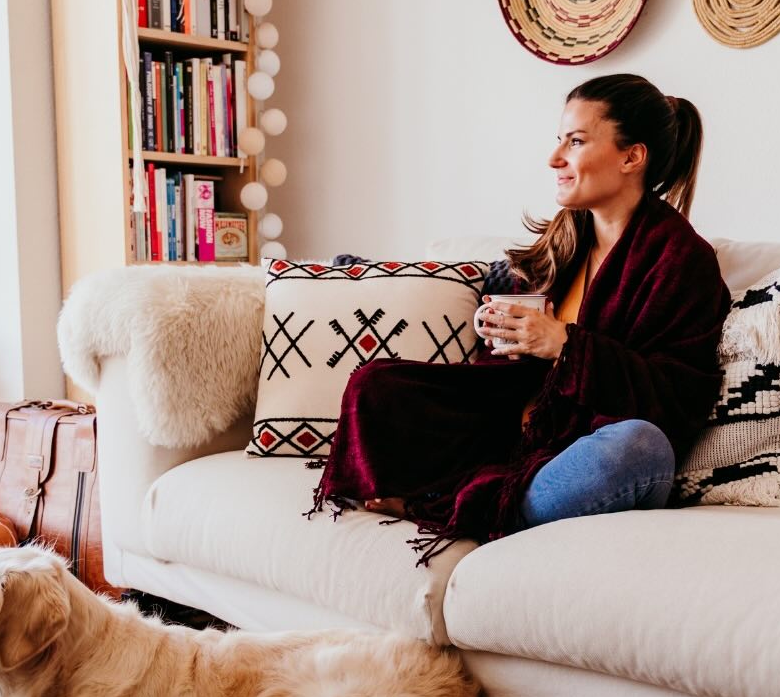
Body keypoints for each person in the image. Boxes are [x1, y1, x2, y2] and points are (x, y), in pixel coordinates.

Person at [309, 73, 731, 565]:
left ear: (631, 156)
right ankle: (470, 498)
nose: (555, 159)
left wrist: (566, 347)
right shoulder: (564, 240)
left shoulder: (681, 260)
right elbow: (518, 376)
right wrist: (506, 338)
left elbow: (677, 398)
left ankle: (466, 507)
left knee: (639, 447)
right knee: (375, 384)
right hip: (518, 432)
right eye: (559, 141)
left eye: (575, 142)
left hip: (589, 450)